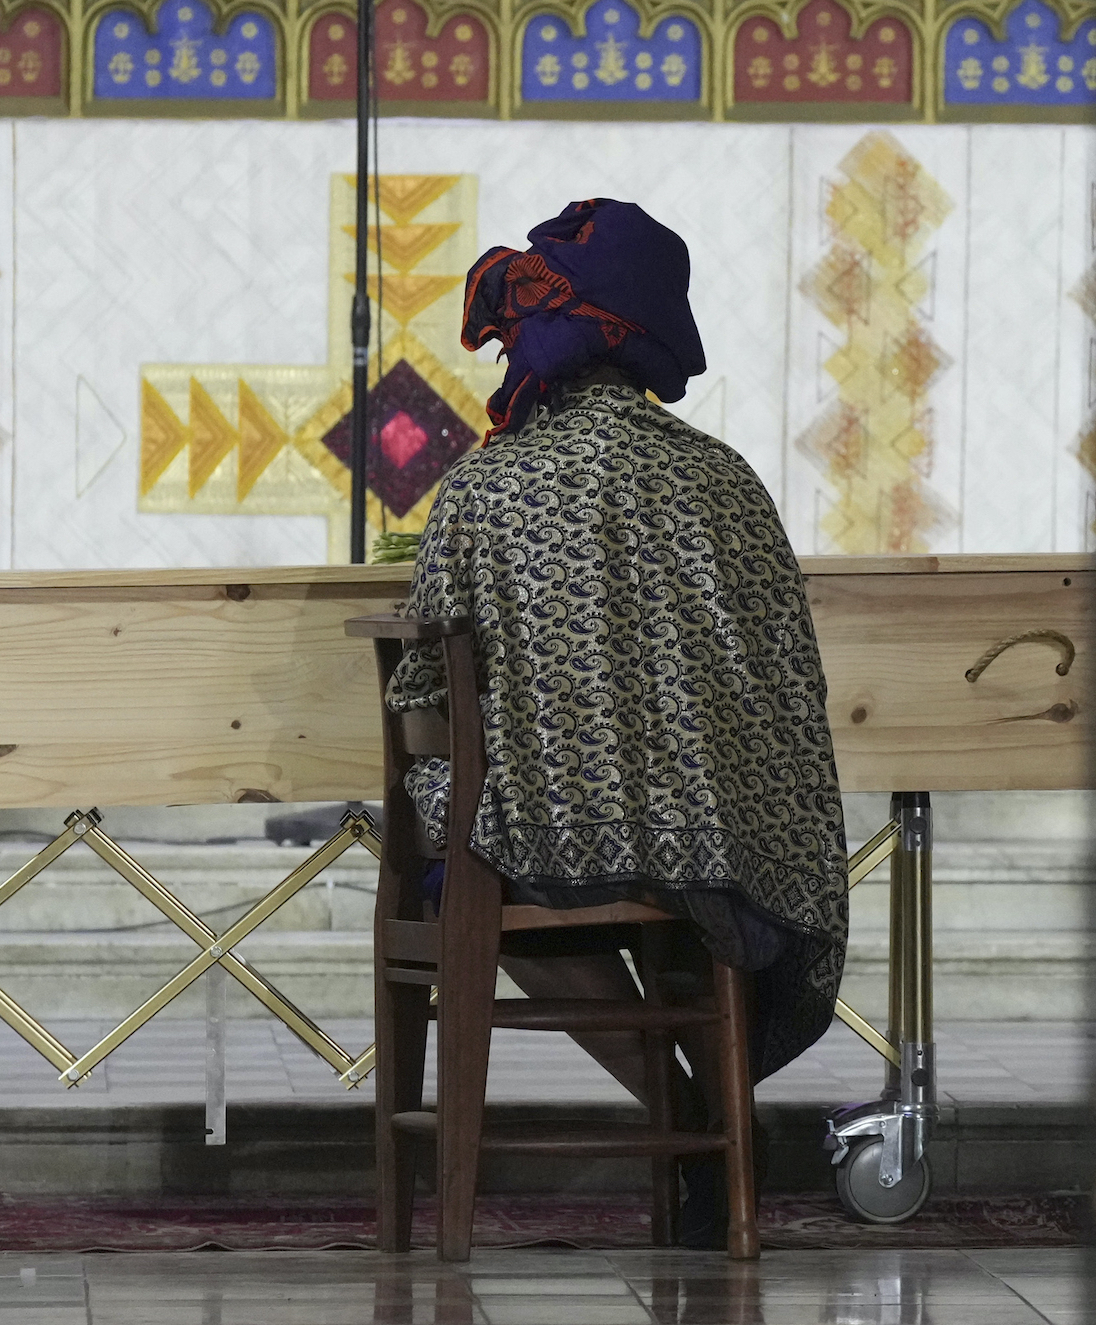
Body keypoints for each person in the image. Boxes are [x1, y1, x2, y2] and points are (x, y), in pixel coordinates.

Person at [386, 198, 850, 1246]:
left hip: (546, 840)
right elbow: (783, 687)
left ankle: (685, 1111)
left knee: (467, 851)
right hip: (715, 847)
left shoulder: (481, 490)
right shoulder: (727, 482)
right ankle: (712, 1122)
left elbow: (423, 701)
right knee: (689, 878)